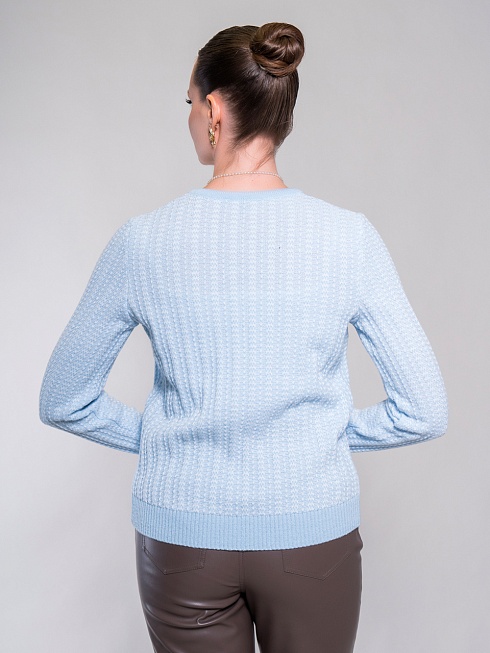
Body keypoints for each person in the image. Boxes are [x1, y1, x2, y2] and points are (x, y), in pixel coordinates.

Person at [39, 22, 448, 653]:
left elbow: (64, 399)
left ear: (215, 110)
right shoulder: (349, 239)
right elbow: (425, 411)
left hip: (183, 542)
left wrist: (170, 439)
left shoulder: (143, 242)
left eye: (189, 102)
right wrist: (317, 436)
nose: (188, 116)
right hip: (313, 535)